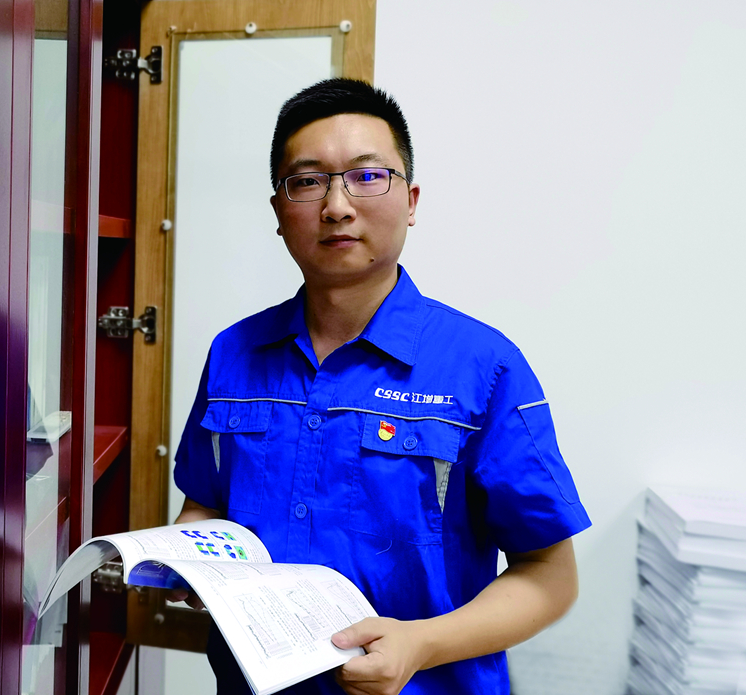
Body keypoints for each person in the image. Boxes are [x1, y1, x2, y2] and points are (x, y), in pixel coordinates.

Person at [171, 78, 591, 695]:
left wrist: (422, 645)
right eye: (308, 181)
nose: (337, 206)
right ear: (279, 212)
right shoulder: (233, 354)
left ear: (411, 201)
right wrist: (192, 562)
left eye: (368, 176)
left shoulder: (483, 366)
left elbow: (551, 576)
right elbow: (205, 505)